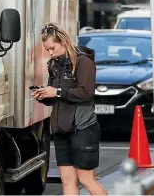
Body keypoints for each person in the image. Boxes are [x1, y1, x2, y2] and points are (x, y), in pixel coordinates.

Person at [32, 22, 107, 195]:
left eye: (52, 48)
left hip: (82, 129)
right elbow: (57, 97)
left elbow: (86, 93)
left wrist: (56, 92)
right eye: (47, 50)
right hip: (61, 130)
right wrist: (45, 96)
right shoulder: (54, 65)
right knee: (67, 181)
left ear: (63, 42)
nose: (50, 53)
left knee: (86, 179)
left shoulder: (84, 62)